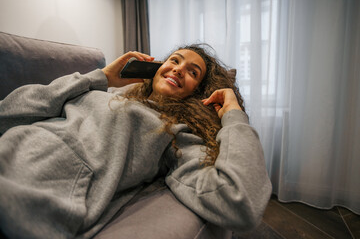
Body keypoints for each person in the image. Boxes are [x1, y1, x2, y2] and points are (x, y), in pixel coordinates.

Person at [0, 44, 272, 238]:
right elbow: (8, 113)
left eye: (192, 72)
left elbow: (238, 202)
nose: (178, 69)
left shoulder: (175, 132)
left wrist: (234, 116)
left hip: (29, 189)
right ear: (156, 68)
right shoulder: (104, 92)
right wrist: (102, 77)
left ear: (199, 93)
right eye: (174, 60)